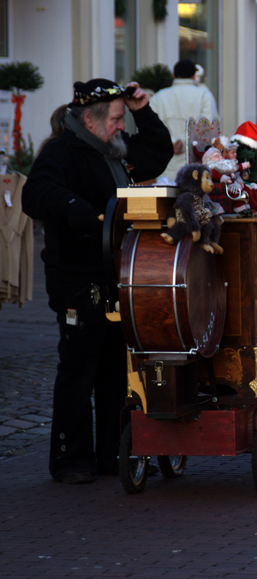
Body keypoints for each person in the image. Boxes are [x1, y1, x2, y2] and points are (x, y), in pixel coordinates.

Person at [22, 79, 173, 484]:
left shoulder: (115, 152)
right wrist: (76, 209)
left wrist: (142, 109)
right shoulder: (62, 152)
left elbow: (157, 153)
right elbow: (35, 193)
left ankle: (110, 455)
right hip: (76, 279)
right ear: (89, 120)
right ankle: (70, 459)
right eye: (117, 119)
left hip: (114, 276)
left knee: (113, 369)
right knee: (78, 368)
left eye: (124, 119)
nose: (121, 127)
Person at [150, 59, 218, 180]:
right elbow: (209, 128)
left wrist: (172, 142)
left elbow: (151, 128)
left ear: (174, 75)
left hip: (166, 164)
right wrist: (184, 142)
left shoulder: (158, 97)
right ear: (194, 75)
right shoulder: (204, 95)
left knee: (165, 196)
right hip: (195, 164)